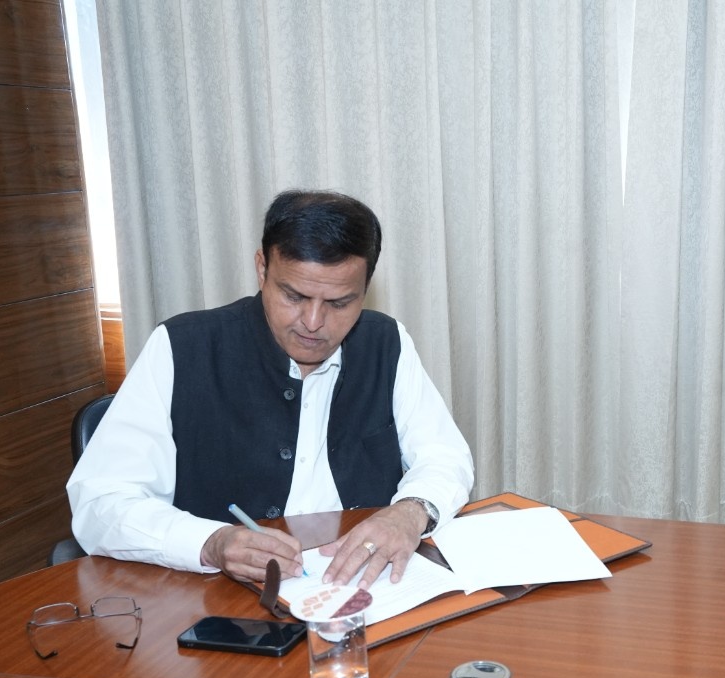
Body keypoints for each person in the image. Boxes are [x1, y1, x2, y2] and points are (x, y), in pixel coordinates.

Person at [68, 189, 474, 589]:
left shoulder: (386, 341)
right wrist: (210, 542)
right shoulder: (182, 346)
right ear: (262, 269)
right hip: (217, 596)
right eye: (294, 296)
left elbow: (445, 456)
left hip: (365, 587)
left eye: (338, 303)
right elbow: (100, 501)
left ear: (365, 289)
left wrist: (410, 512)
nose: (312, 322)